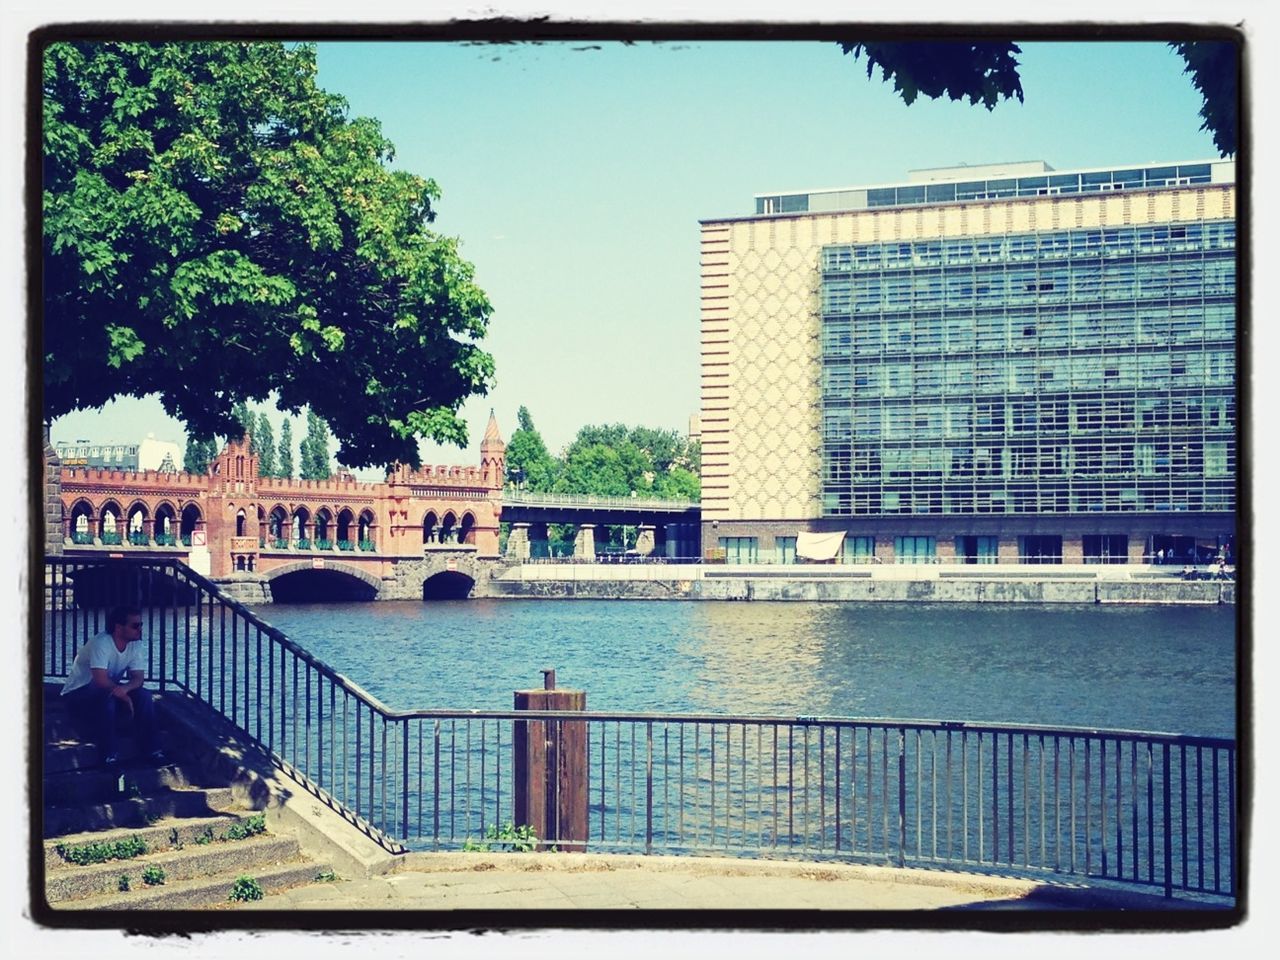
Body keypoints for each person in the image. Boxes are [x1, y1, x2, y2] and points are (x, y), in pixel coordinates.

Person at [60, 605, 163, 766]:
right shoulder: (102, 643)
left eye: (141, 625)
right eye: (135, 625)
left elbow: (138, 678)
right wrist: (123, 695)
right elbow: (100, 679)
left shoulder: (135, 644)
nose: (140, 629)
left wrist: (124, 690)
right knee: (108, 698)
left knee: (144, 695)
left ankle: (152, 751)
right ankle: (108, 756)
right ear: (118, 627)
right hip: (78, 693)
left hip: (107, 690)